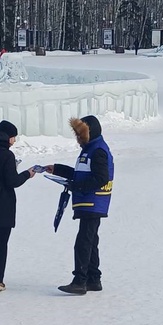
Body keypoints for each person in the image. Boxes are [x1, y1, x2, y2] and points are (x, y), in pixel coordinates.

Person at [45, 115, 114, 295]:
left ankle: (80, 280)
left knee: (83, 242)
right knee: (91, 241)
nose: (77, 139)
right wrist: (58, 169)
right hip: (89, 202)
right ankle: (93, 279)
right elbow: (81, 174)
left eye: (80, 135)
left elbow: (101, 178)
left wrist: (77, 186)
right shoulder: (91, 149)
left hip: (93, 201)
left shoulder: (97, 150)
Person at [0, 120, 35, 292]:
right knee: (1, 242)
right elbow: (12, 181)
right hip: (3, 203)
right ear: (8, 138)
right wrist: (27, 174)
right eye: (14, 137)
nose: (15, 141)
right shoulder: (6, 155)